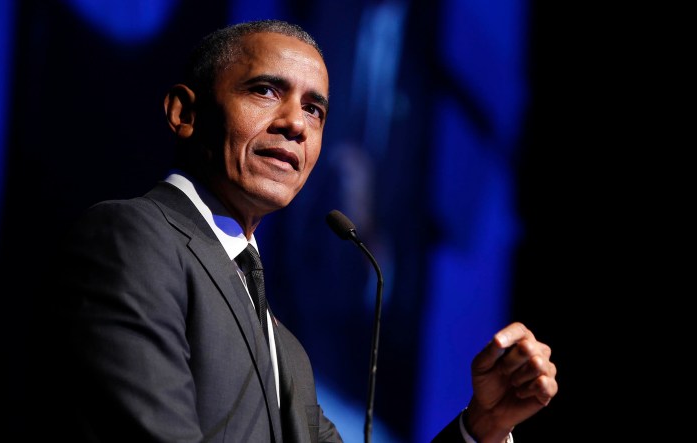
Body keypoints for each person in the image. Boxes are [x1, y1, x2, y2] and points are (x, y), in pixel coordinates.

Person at [44, 19, 557, 443]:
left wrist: (483, 427)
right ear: (186, 113)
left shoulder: (285, 351)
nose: (296, 124)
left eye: (314, 109)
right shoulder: (133, 237)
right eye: (265, 90)